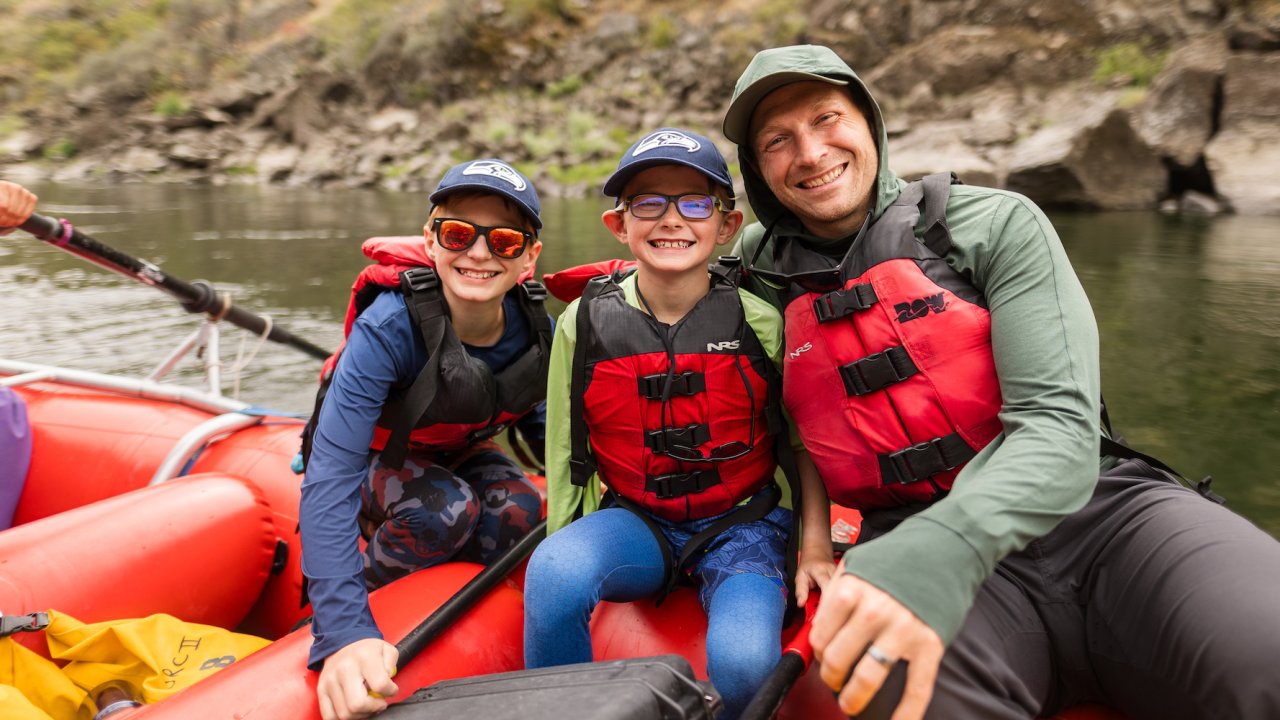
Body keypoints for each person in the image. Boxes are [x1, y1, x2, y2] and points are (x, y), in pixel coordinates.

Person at [721, 45, 1280, 720]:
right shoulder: (756, 271)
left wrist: (938, 554)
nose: (809, 154)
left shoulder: (995, 222)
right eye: (777, 141)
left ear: (870, 124)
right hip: (906, 535)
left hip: (1105, 522)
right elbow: (676, 277)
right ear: (758, 170)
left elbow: (1058, 428)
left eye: (827, 118)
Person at [522, 128, 834, 720]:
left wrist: (811, 543)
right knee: (556, 575)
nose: (672, 220)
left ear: (725, 225)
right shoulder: (582, 322)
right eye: (648, 203)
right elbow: (567, 450)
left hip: (746, 524)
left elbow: (800, 442)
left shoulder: (760, 322)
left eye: (695, 203)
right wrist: (562, 539)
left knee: (744, 666)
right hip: (636, 521)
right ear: (619, 225)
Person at [300, 159, 550, 720]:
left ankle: (469, 637)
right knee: (444, 510)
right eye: (459, 234)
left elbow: (545, 434)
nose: (480, 254)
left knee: (520, 508)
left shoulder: (539, 328)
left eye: (505, 240)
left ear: (529, 257)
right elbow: (330, 474)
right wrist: (342, 634)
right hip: (375, 460)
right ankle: (341, 612)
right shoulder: (388, 328)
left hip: (459, 447)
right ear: (431, 241)